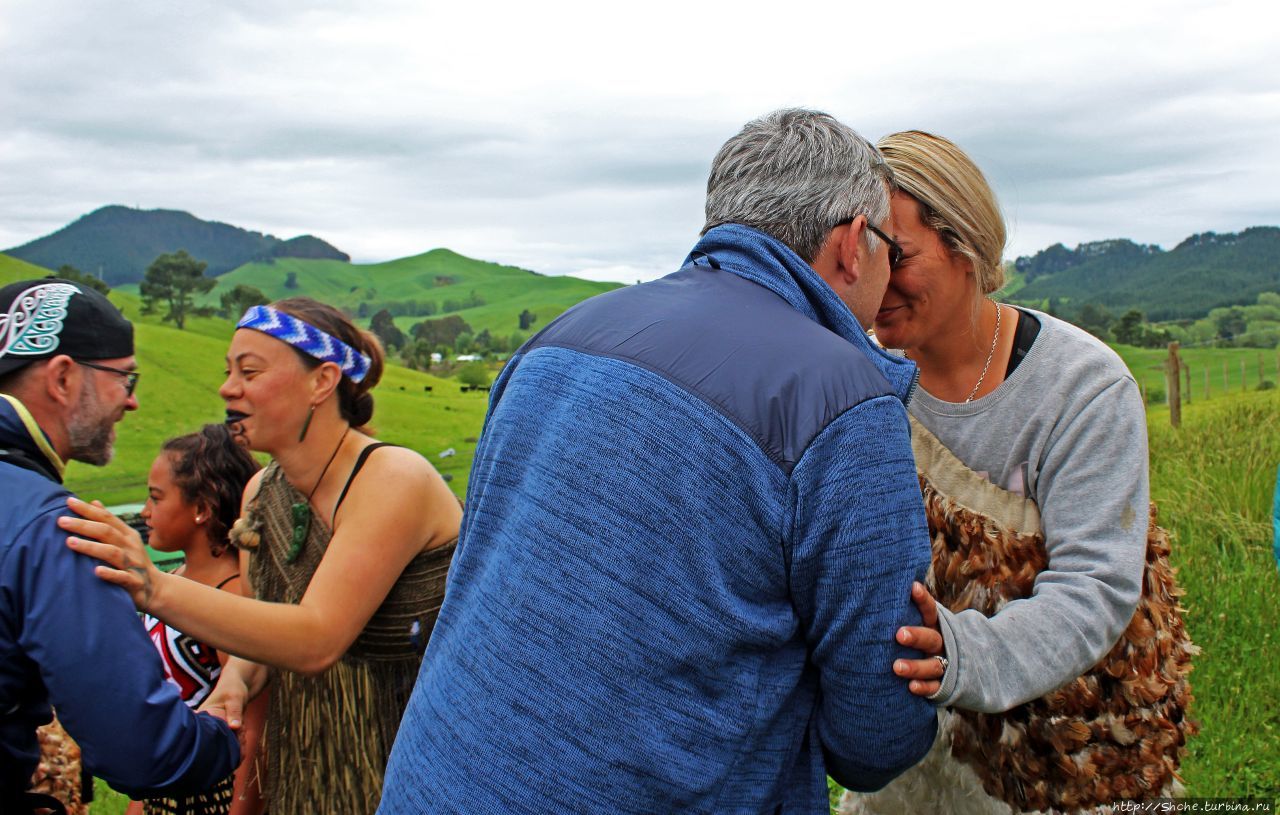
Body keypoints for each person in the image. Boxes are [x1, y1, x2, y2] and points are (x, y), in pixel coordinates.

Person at [377, 109, 938, 814]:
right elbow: (875, 739)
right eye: (890, 249)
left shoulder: (561, 336)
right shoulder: (841, 397)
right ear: (855, 243)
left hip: (431, 782)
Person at [840, 132, 1196, 814]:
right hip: (914, 754)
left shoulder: (1082, 389)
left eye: (899, 255)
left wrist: (960, 656)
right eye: (863, 260)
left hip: (1068, 747)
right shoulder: (864, 385)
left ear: (964, 244)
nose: (877, 283)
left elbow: (1095, 586)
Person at [62, 296, 462, 815]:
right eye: (228, 371)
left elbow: (316, 639)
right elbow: (262, 634)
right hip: (313, 778)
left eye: (249, 371)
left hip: (415, 766)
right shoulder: (261, 495)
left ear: (322, 381)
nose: (228, 389)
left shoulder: (392, 480)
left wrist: (152, 585)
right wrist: (233, 683)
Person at [0, 278, 240, 813]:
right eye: (123, 377)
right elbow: (143, 749)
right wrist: (223, 739)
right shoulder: (54, 529)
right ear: (62, 376)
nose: (131, 401)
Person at [125, 424, 266, 815]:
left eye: (155, 498)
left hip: (211, 799)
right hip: (167, 788)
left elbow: (256, 731)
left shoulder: (233, 597)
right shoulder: (170, 585)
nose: (144, 512)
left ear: (202, 508)